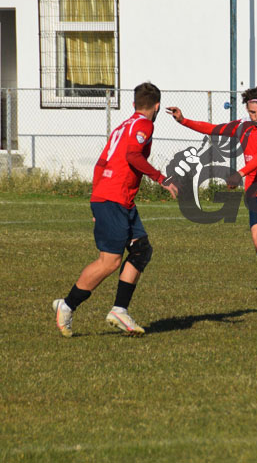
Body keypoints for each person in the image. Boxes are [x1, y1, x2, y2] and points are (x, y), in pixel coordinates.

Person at [52, 82, 178, 337]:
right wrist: (161, 178)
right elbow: (133, 156)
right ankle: (67, 305)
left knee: (141, 249)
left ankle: (120, 310)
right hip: (114, 198)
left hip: (115, 198)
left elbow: (101, 163)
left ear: (133, 104)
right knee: (109, 261)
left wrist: (95, 198)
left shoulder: (123, 126)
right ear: (156, 106)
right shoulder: (144, 125)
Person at [167, 86, 257, 306]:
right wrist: (183, 120)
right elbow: (213, 129)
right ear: (247, 110)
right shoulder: (242, 126)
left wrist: (239, 173)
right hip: (256, 194)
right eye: (253, 112)